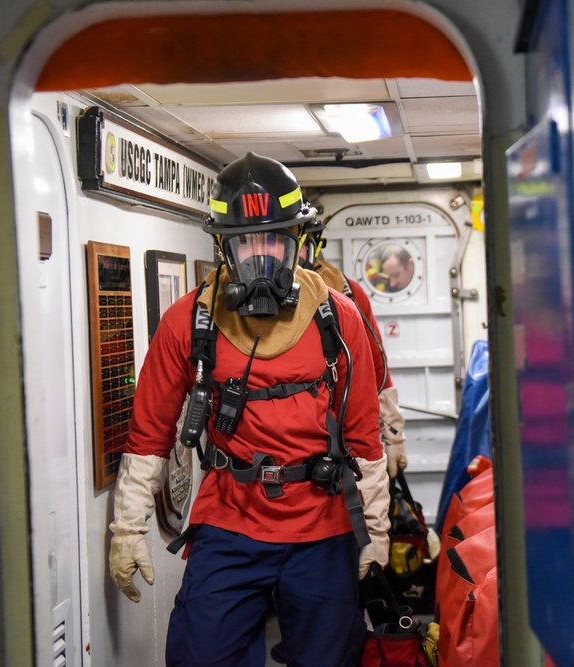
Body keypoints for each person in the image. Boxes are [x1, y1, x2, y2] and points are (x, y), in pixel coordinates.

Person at [107, 152, 390, 666]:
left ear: (297, 242)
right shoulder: (188, 321)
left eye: (274, 242)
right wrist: (127, 530)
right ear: (224, 247)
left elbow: (365, 436)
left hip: (322, 527)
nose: (261, 258)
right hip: (229, 523)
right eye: (246, 243)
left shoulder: (338, 318)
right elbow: (149, 433)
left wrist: (376, 532)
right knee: (201, 656)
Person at [299, 224, 408, 479]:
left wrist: (393, 437)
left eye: (303, 245)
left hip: (347, 440)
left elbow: (378, 369)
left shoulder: (347, 296)